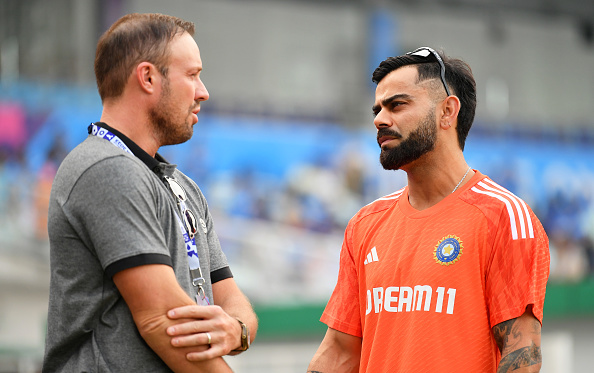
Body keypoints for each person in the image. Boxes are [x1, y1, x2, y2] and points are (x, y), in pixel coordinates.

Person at [307, 47, 549, 372]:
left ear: (447, 111)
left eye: (397, 105)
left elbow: (521, 354)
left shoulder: (503, 216)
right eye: (377, 109)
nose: (379, 119)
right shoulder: (365, 224)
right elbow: (340, 352)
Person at [43, 13, 257, 372]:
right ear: (147, 77)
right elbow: (165, 324)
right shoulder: (104, 168)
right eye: (192, 75)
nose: (203, 91)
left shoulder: (182, 185)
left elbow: (234, 302)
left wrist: (237, 330)